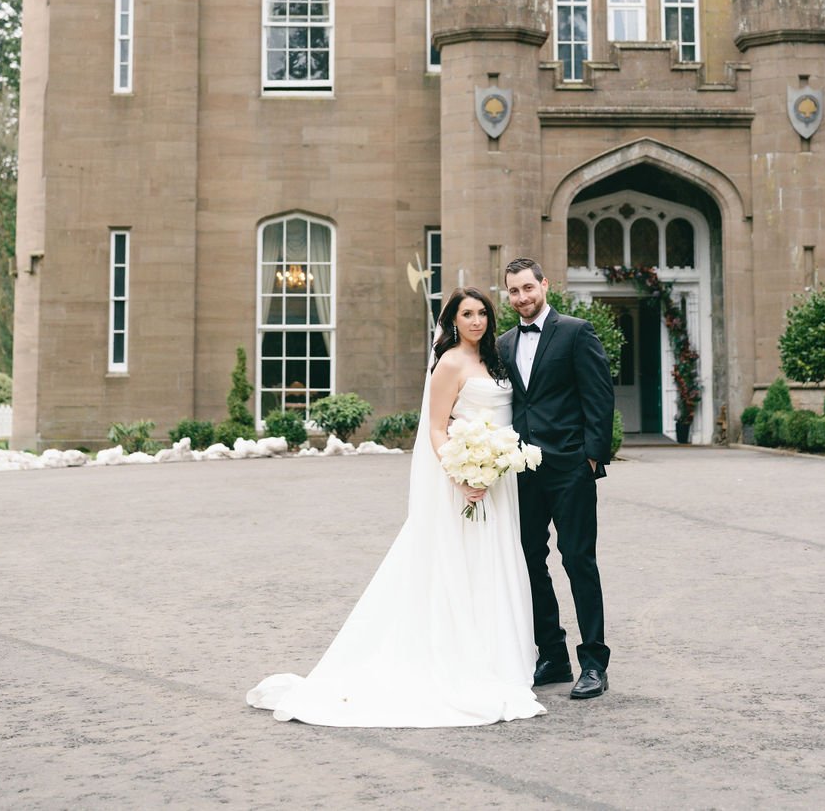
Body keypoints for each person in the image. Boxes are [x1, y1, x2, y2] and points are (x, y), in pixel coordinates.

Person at [246, 286, 545, 727]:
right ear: (453, 321)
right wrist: (464, 476)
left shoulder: (496, 360)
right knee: (458, 566)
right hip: (465, 481)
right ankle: (460, 657)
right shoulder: (448, 363)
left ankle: (498, 655)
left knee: (494, 564)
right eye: (467, 314)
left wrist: (494, 465)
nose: (476, 321)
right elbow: (437, 430)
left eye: (482, 313)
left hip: (499, 482)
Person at [496, 257, 615, 700]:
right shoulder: (505, 344)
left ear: (544, 285)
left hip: (569, 467)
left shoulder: (576, 331)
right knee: (529, 561)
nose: (522, 298)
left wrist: (591, 458)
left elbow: (599, 396)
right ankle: (553, 655)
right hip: (522, 471)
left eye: (528, 288)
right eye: (513, 291)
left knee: (578, 560)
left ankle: (593, 662)